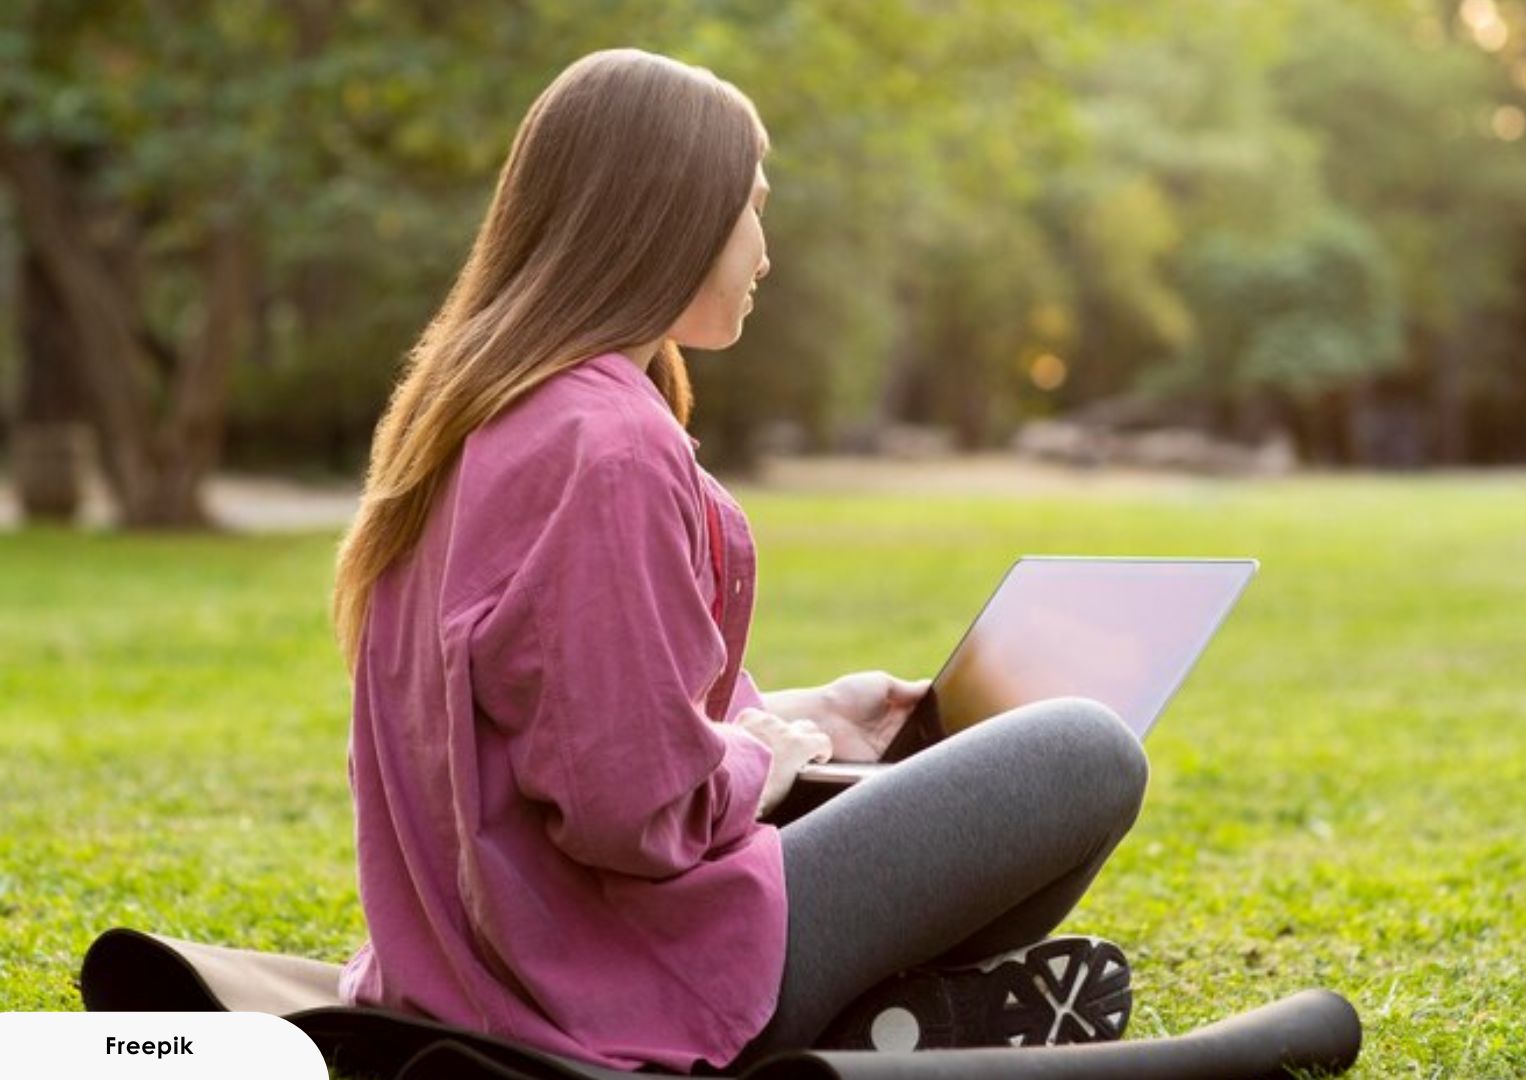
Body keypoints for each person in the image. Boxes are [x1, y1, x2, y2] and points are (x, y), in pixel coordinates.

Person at [329, 48, 1147, 1075]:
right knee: (1085, 751)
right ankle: (871, 1026)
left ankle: (904, 1021)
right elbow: (636, 813)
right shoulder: (604, 446)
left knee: (978, 764)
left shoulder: (486, 413)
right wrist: (767, 757)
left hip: (500, 963)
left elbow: (574, 723)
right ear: (667, 213)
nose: (764, 252)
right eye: (750, 209)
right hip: (605, 983)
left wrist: (811, 718)